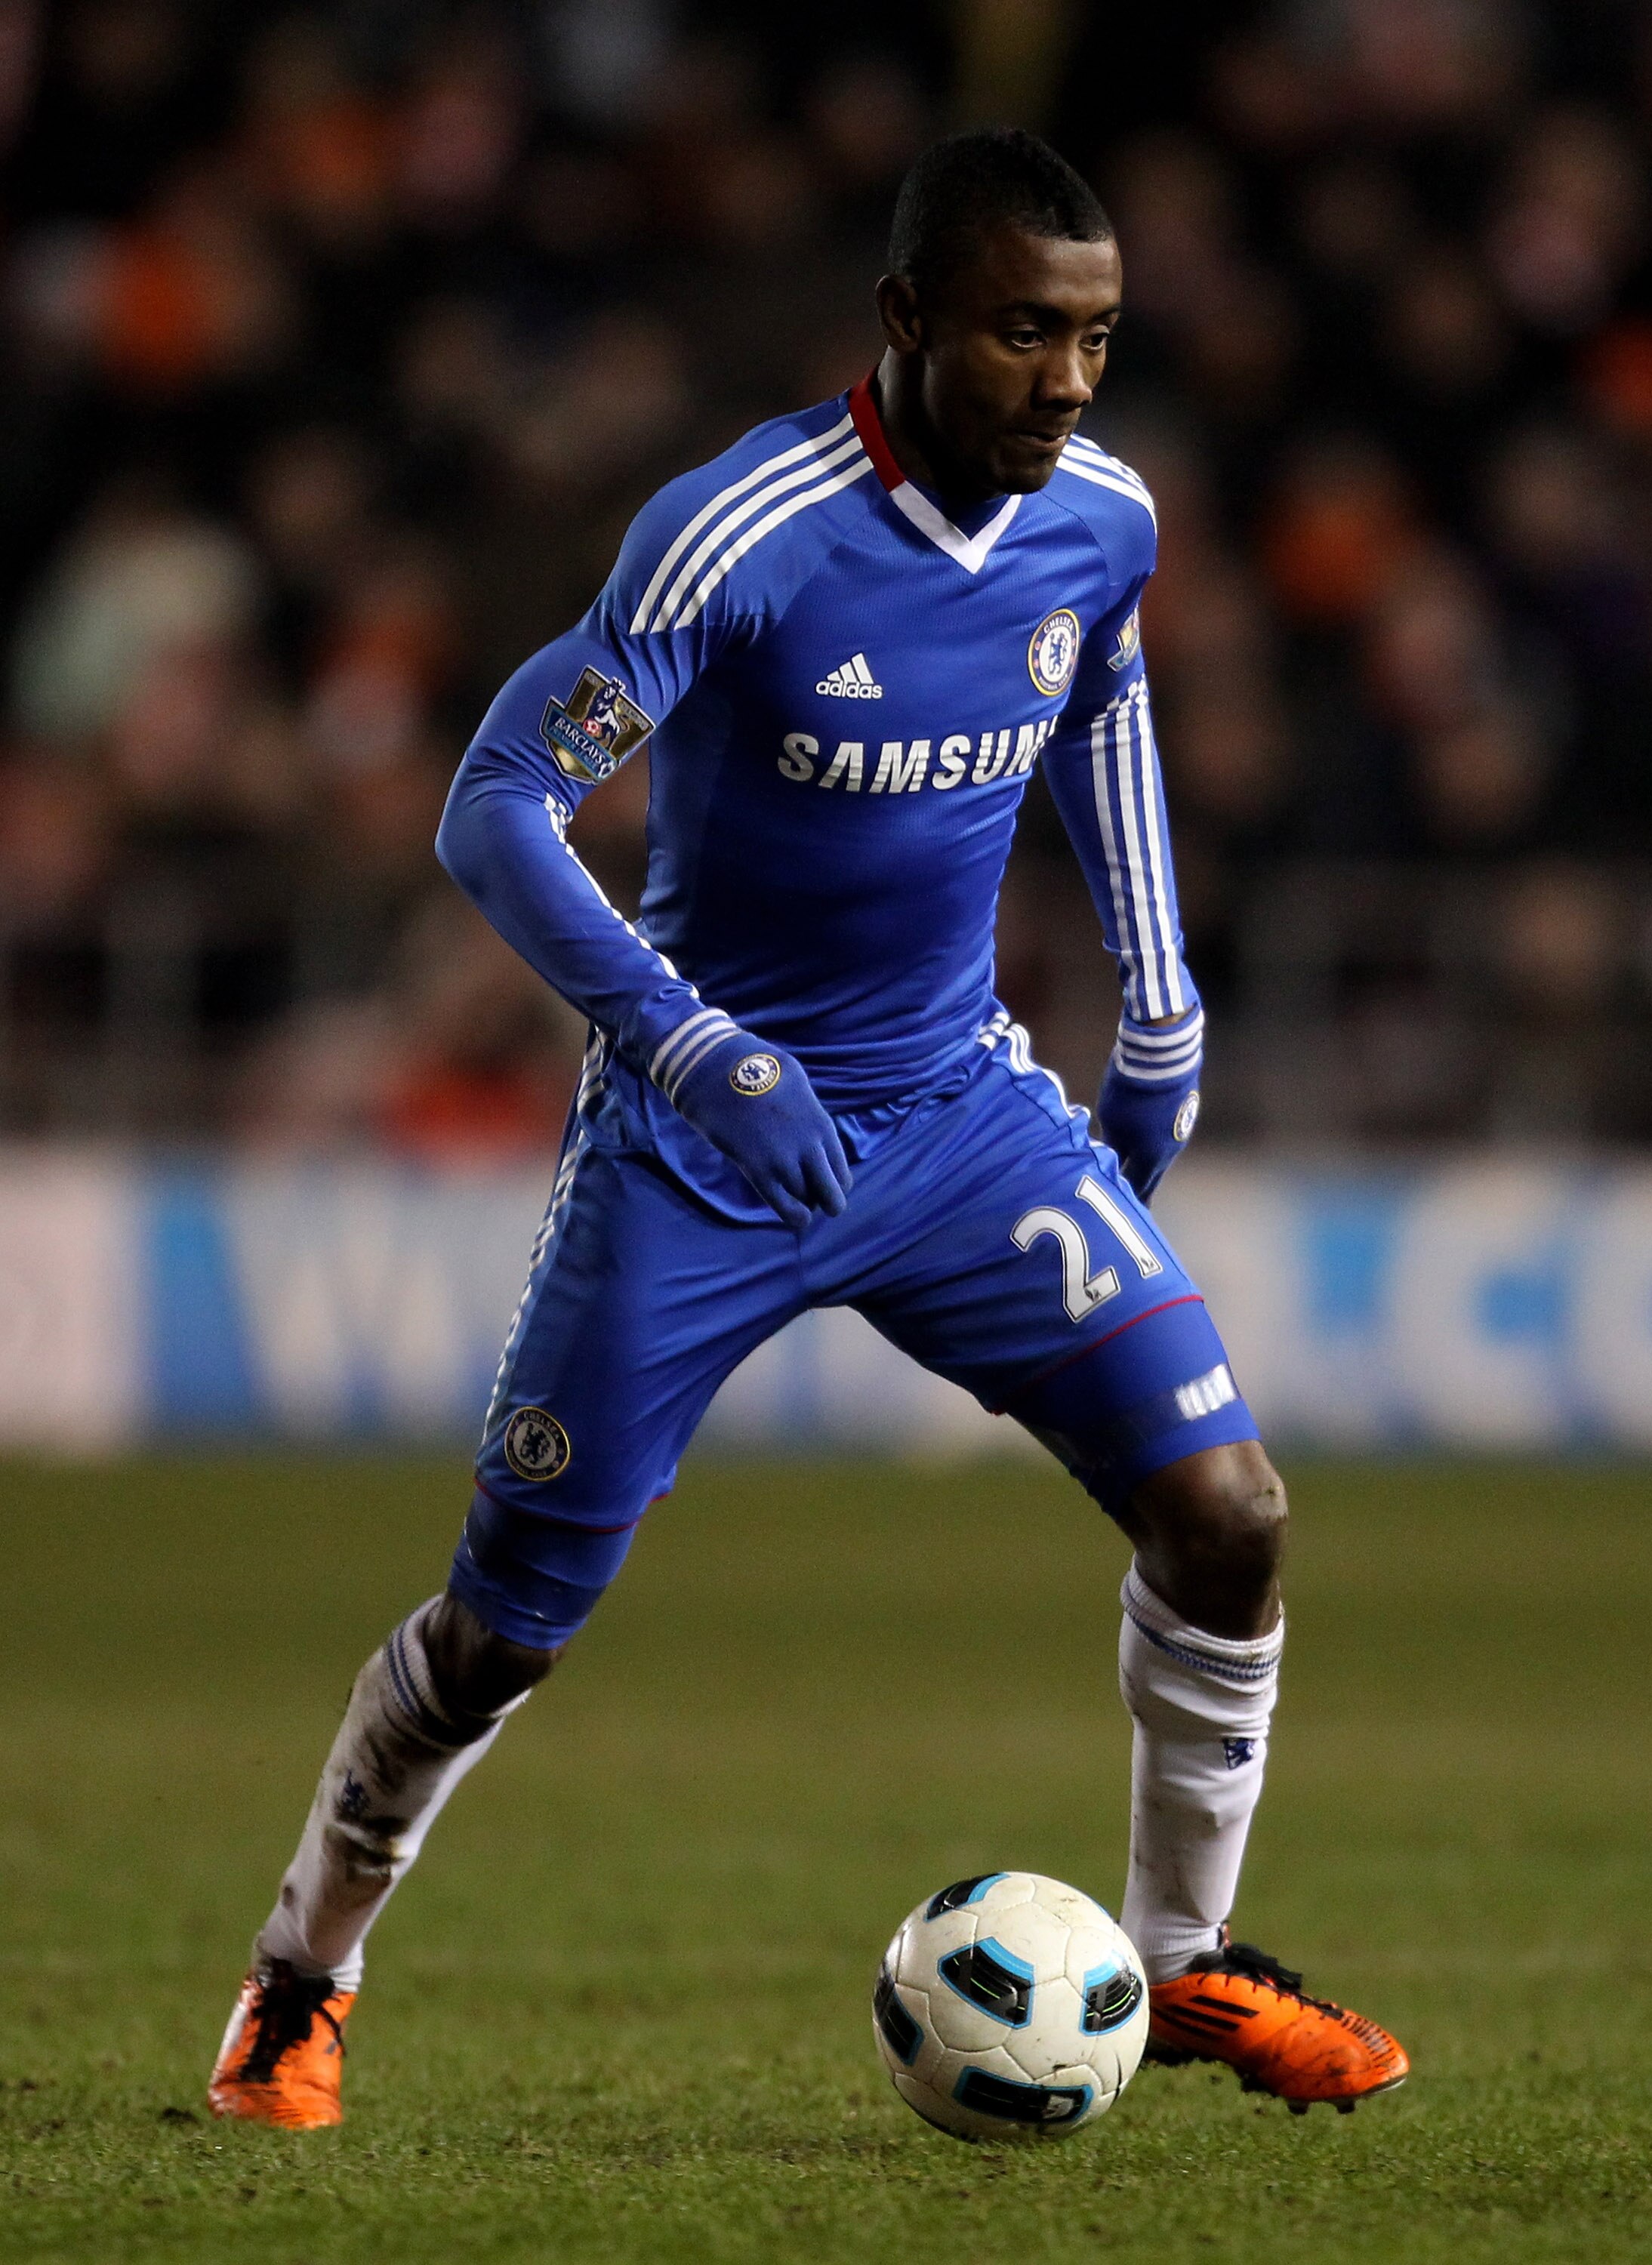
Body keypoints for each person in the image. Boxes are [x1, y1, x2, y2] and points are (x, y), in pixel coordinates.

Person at [208, 127, 1407, 2131]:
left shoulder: (1098, 518)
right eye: (1026, 331)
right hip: (699, 1151)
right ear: (907, 316)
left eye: (1097, 338)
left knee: (1231, 1516)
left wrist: (1160, 994)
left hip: (956, 1115)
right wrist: (691, 1050)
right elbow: (493, 807)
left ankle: (1189, 1966)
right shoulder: (738, 531)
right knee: (503, 1631)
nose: (1066, 379)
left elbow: (1098, 698)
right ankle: (297, 1977)